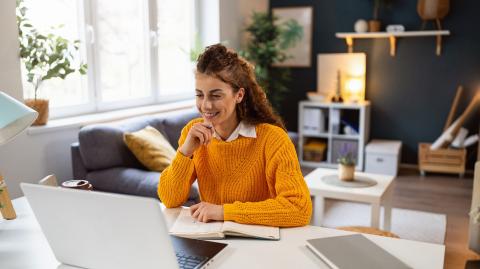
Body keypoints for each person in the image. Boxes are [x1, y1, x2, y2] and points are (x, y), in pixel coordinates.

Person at [158, 44, 312, 227]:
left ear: (239, 95)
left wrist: (224, 211)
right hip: (213, 240)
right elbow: (169, 199)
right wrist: (185, 152)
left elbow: (298, 209)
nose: (206, 105)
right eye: (199, 95)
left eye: (216, 96)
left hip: (262, 243)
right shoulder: (193, 133)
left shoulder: (272, 139)